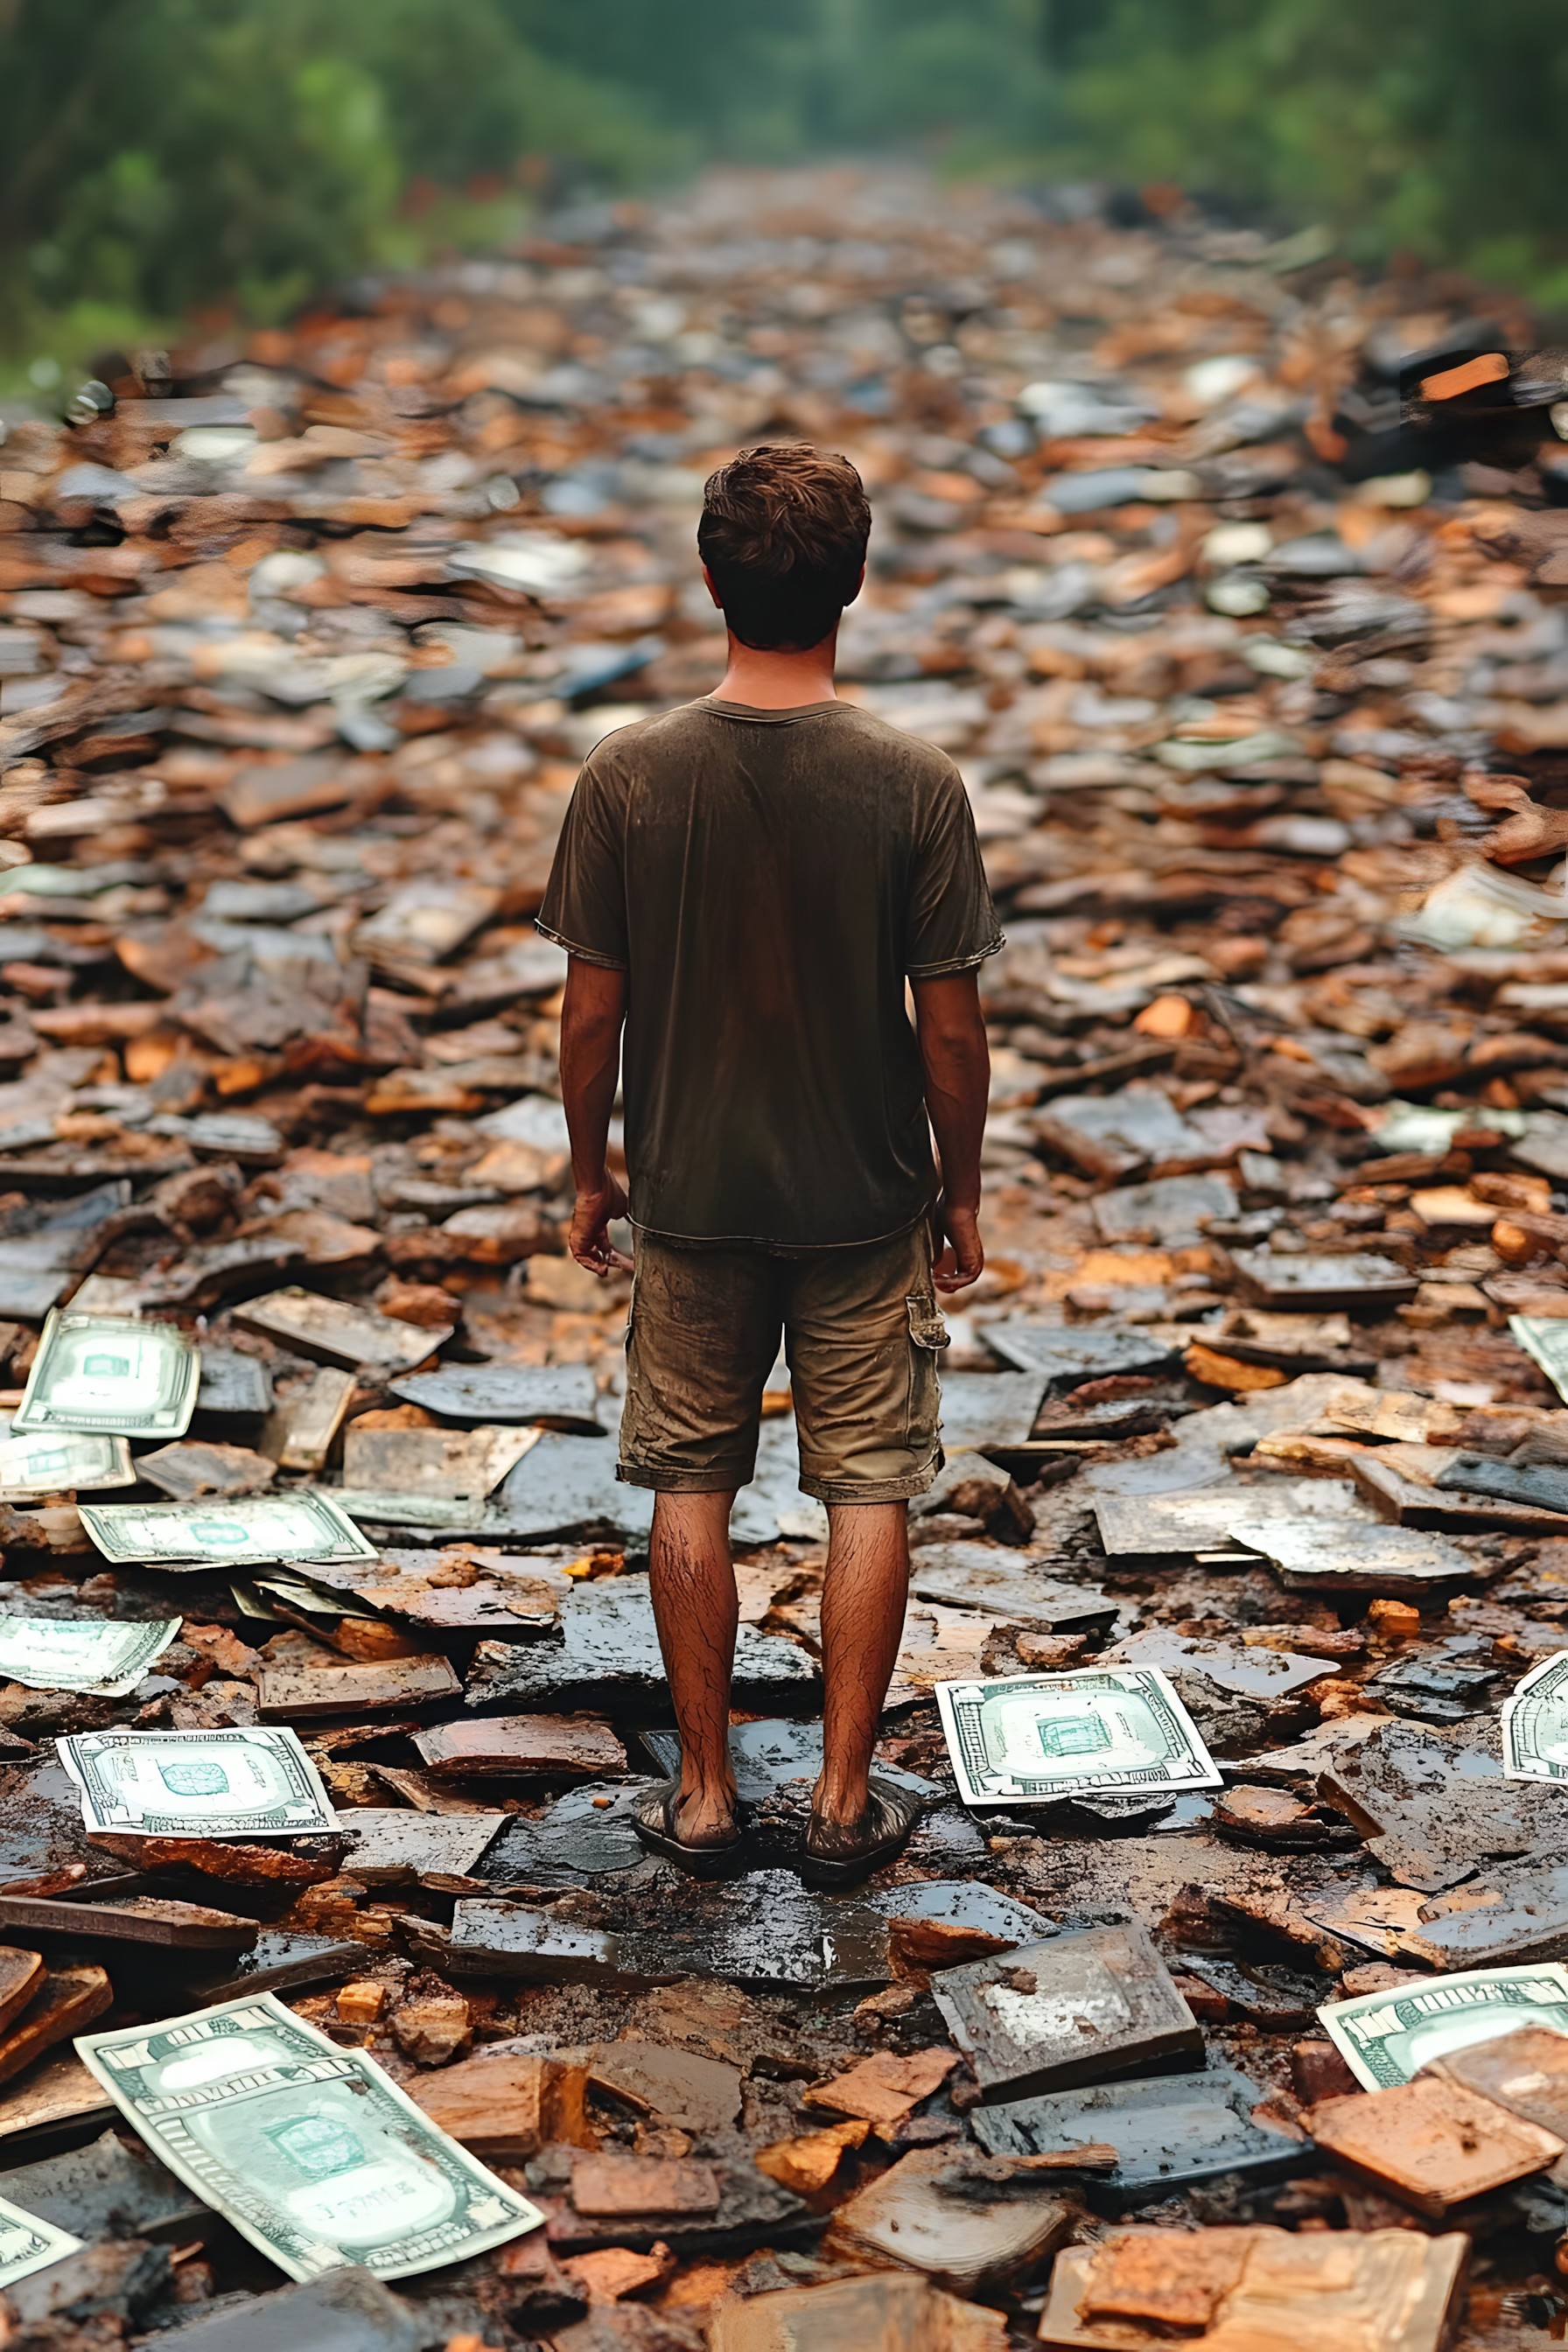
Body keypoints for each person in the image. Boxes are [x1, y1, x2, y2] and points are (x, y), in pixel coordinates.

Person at [536, 442, 999, 1884]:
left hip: (692, 1196)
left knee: (690, 1484)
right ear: (855, 582)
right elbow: (951, 1030)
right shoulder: (915, 786)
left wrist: (588, 1173)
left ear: (708, 580)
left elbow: (592, 1012)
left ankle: (705, 1794)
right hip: (864, 1197)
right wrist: (962, 1184)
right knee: (870, 1487)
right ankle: (847, 1800)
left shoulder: (627, 778)